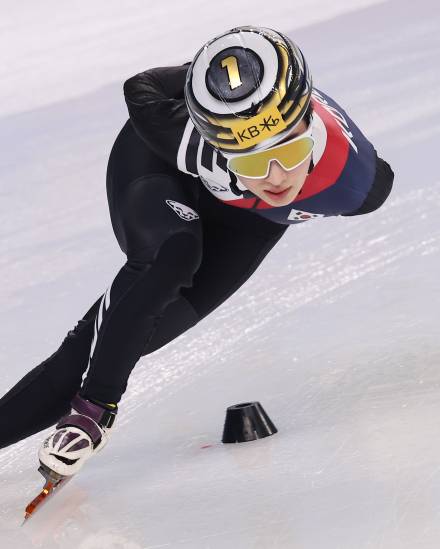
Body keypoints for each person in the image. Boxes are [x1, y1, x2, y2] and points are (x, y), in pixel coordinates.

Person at [0, 26, 394, 476]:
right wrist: (199, 81)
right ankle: (93, 412)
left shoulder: (356, 183)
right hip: (160, 171)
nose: (275, 177)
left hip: (247, 220)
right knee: (172, 258)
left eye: (289, 150)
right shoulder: (181, 137)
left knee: (130, 338)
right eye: (249, 159)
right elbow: (141, 87)